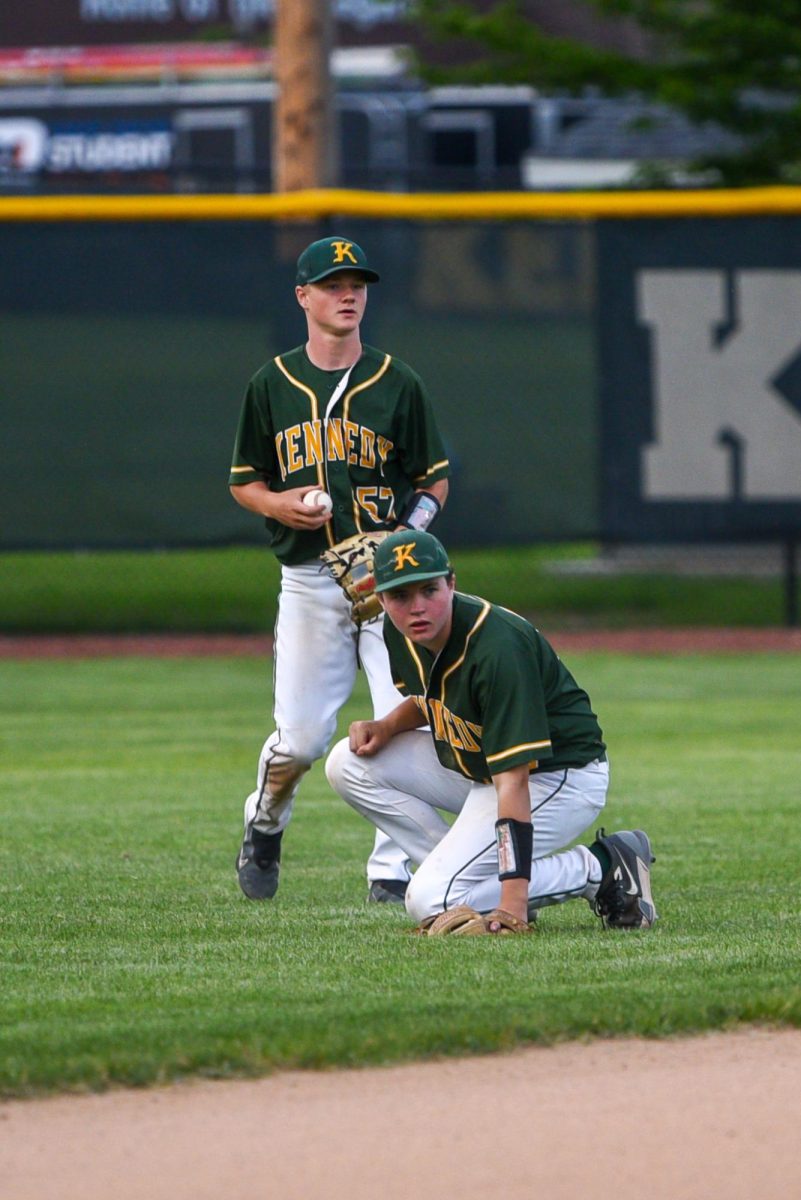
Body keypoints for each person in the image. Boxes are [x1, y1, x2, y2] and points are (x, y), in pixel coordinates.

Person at [229, 236, 451, 903]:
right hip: (309, 584)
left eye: (356, 284)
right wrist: (277, 503)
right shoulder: (271, 384)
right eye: (332, 284)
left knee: (400, 731)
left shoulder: (397, 382)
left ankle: (392, 869)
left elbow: (433, 480)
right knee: (298, 741)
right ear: (303, 296)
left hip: (393, 589)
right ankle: (264, 824)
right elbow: (245, 482)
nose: (347, 294)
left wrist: (402, 542)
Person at [325, 529, 657, 931]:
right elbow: (433, 698)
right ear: (381, 598)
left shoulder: (498, 648)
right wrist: (386, 725)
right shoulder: (402, 633)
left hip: (558, 775)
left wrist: (512, 903)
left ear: (452, 582)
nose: (417, 607)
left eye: (429, 589)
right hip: (483, 767)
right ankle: (479, 881)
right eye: (400, 596)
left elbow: (513, 782)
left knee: (431, 899)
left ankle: (602, 867)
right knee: (347, 762)